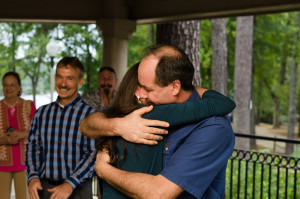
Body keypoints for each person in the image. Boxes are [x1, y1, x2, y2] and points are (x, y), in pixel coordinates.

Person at [90, 44, 235, 198]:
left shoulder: (212, 127)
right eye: (139, 86)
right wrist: (117, 126)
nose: (141, 95)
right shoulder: (142, 114)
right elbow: (88, 123)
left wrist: (103, 169)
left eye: (148, 89)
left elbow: (158, 194)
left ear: (174, 87)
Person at [25, 57, 96, 199]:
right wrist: (32, 177)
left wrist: (70, 184)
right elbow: (33, 147)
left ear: (80, 81)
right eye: (59, 77)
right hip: (45, 190)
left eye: (70, 78)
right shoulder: (41, 113)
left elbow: (93, 153)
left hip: (78, 190)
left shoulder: (91, 115)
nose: (63, 84)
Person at [0, 71, 36, 199]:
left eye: (12, 85)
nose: (8, 88)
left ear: (19, 87)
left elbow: (38, 132)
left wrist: (21, 134)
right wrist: (4, 140)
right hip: (1, 165)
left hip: (25, 164)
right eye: (5, 85)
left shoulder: (28, 105)